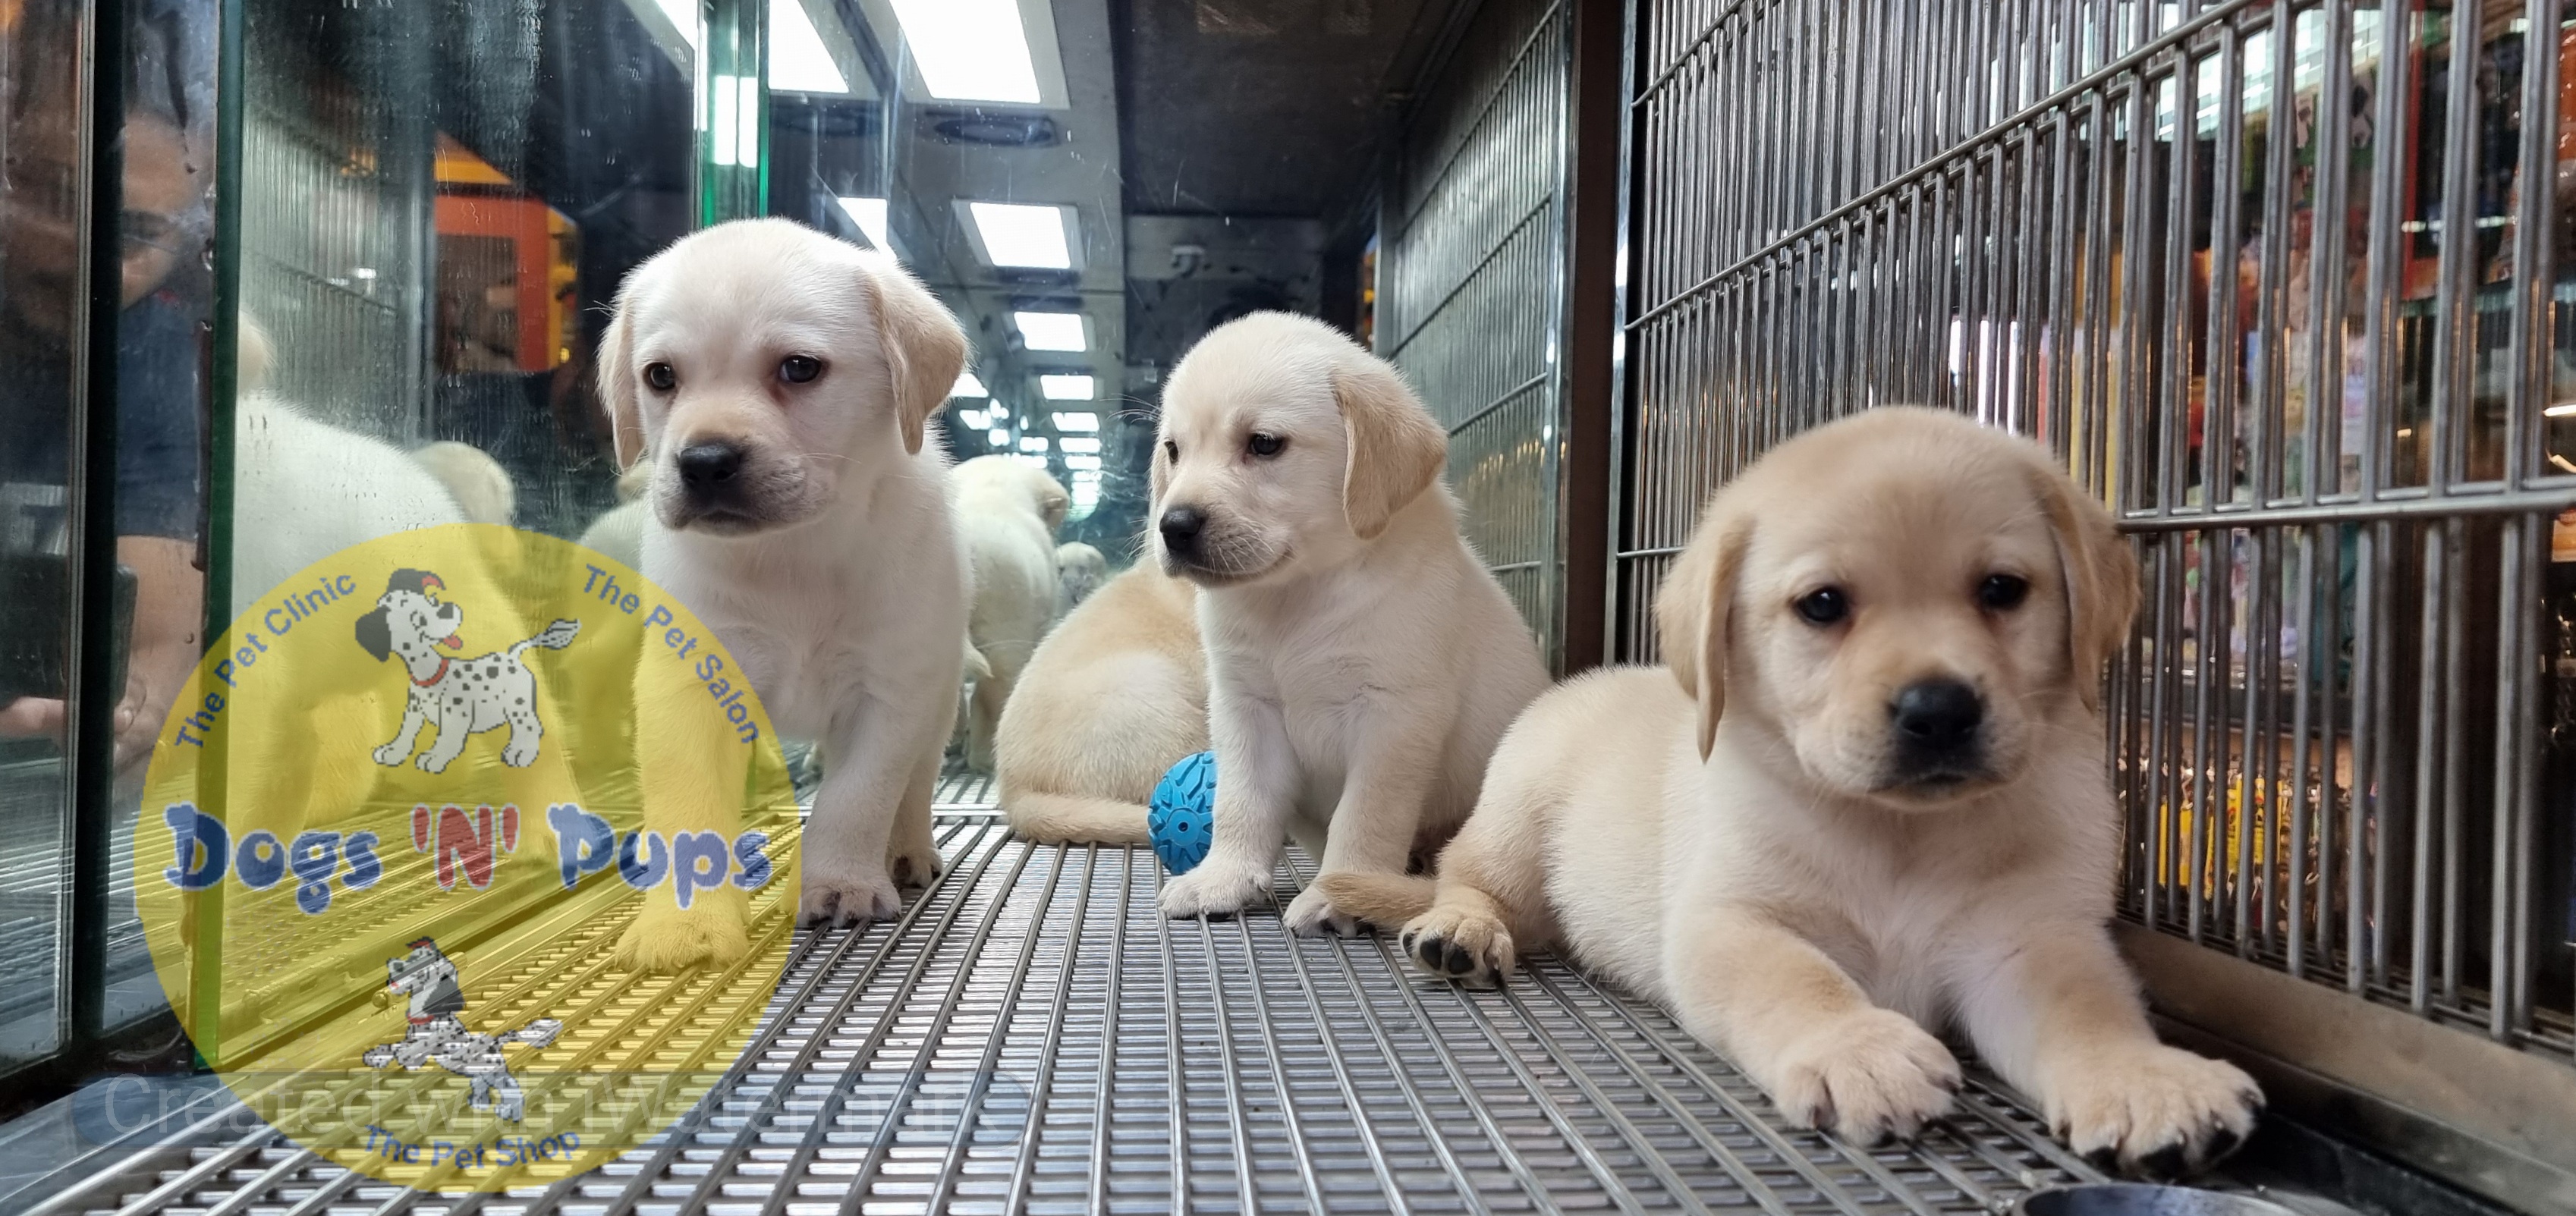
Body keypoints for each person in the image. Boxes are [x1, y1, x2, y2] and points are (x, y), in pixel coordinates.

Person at [0, 0, 211, 778]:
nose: (84, 253)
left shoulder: (148, 350)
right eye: (56, 196)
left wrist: (124, 712)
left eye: (134, 232)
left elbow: (155, 636)